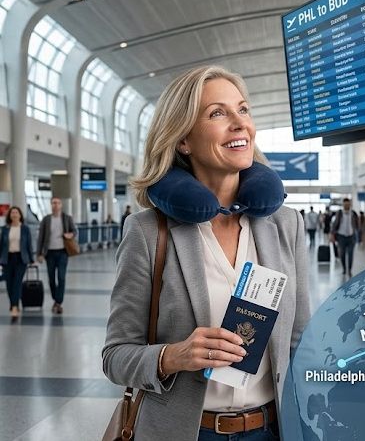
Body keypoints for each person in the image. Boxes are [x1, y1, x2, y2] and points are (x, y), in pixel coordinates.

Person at [103, 66, 310, 440]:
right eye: (218, 113)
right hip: (186, 431)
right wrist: (173, 356)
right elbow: (115, 356)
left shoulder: (286, 225)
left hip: (270, 429)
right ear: (184, 141)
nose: (239, 123)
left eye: (243, 110)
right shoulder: (148, 232)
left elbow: (301, 343)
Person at [36, 197, 76, 315]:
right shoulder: (46, 220)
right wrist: (39, 253)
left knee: (61, 277)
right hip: (49, 253)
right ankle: (55, 298)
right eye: (53, 203)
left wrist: (71, 234)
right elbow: (41, 238)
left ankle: (58, 302)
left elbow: (75, 231)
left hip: (63, 252)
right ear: (51, 205)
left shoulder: (66, 218)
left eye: (58, 203)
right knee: (51, 279)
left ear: (61, 205)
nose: (56, 205)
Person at [1, 207, 34, 318]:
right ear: (10, 215)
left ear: (20, 215)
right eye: (12, 213)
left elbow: (29, 245)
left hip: (20, 259)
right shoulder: (5, 229)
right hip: (7, 259)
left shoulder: (25, 229)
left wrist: (32, 259)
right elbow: (1, 245)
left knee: (17, 283)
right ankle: (13, 304)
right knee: (9, 284)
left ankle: (14, 307)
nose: (14, 214)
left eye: (16, 212)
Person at [330, 198, 360, 276]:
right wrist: (332, 234)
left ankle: (349, 270)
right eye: (345, 204)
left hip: (351, 237)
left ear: (350, 204)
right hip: (341, 236)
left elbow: (357, 225)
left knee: (350, 254)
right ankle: (344, 268)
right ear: (343, 204)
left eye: (348, 204)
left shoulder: (353, 213)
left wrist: (359, 235)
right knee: (342, 254)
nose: (346, 205)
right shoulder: (339, 213)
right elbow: (334, 224)